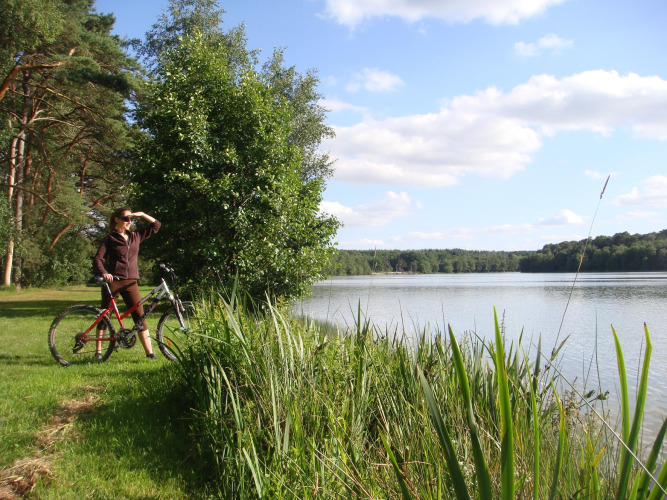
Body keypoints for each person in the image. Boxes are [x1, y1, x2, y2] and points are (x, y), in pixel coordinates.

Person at [93, 207, 161, 360]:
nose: (129, 222)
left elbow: (156, 225)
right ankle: (98, 351)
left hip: (131, 282)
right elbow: (98, 259)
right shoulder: (110, 239)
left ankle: (150, 353)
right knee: (105, 315)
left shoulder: (136, 236)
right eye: (126, 219)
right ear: (116, 220)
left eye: (131, 219)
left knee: (139, 316)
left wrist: (142, 214)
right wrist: (104, 273)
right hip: (114, 281)